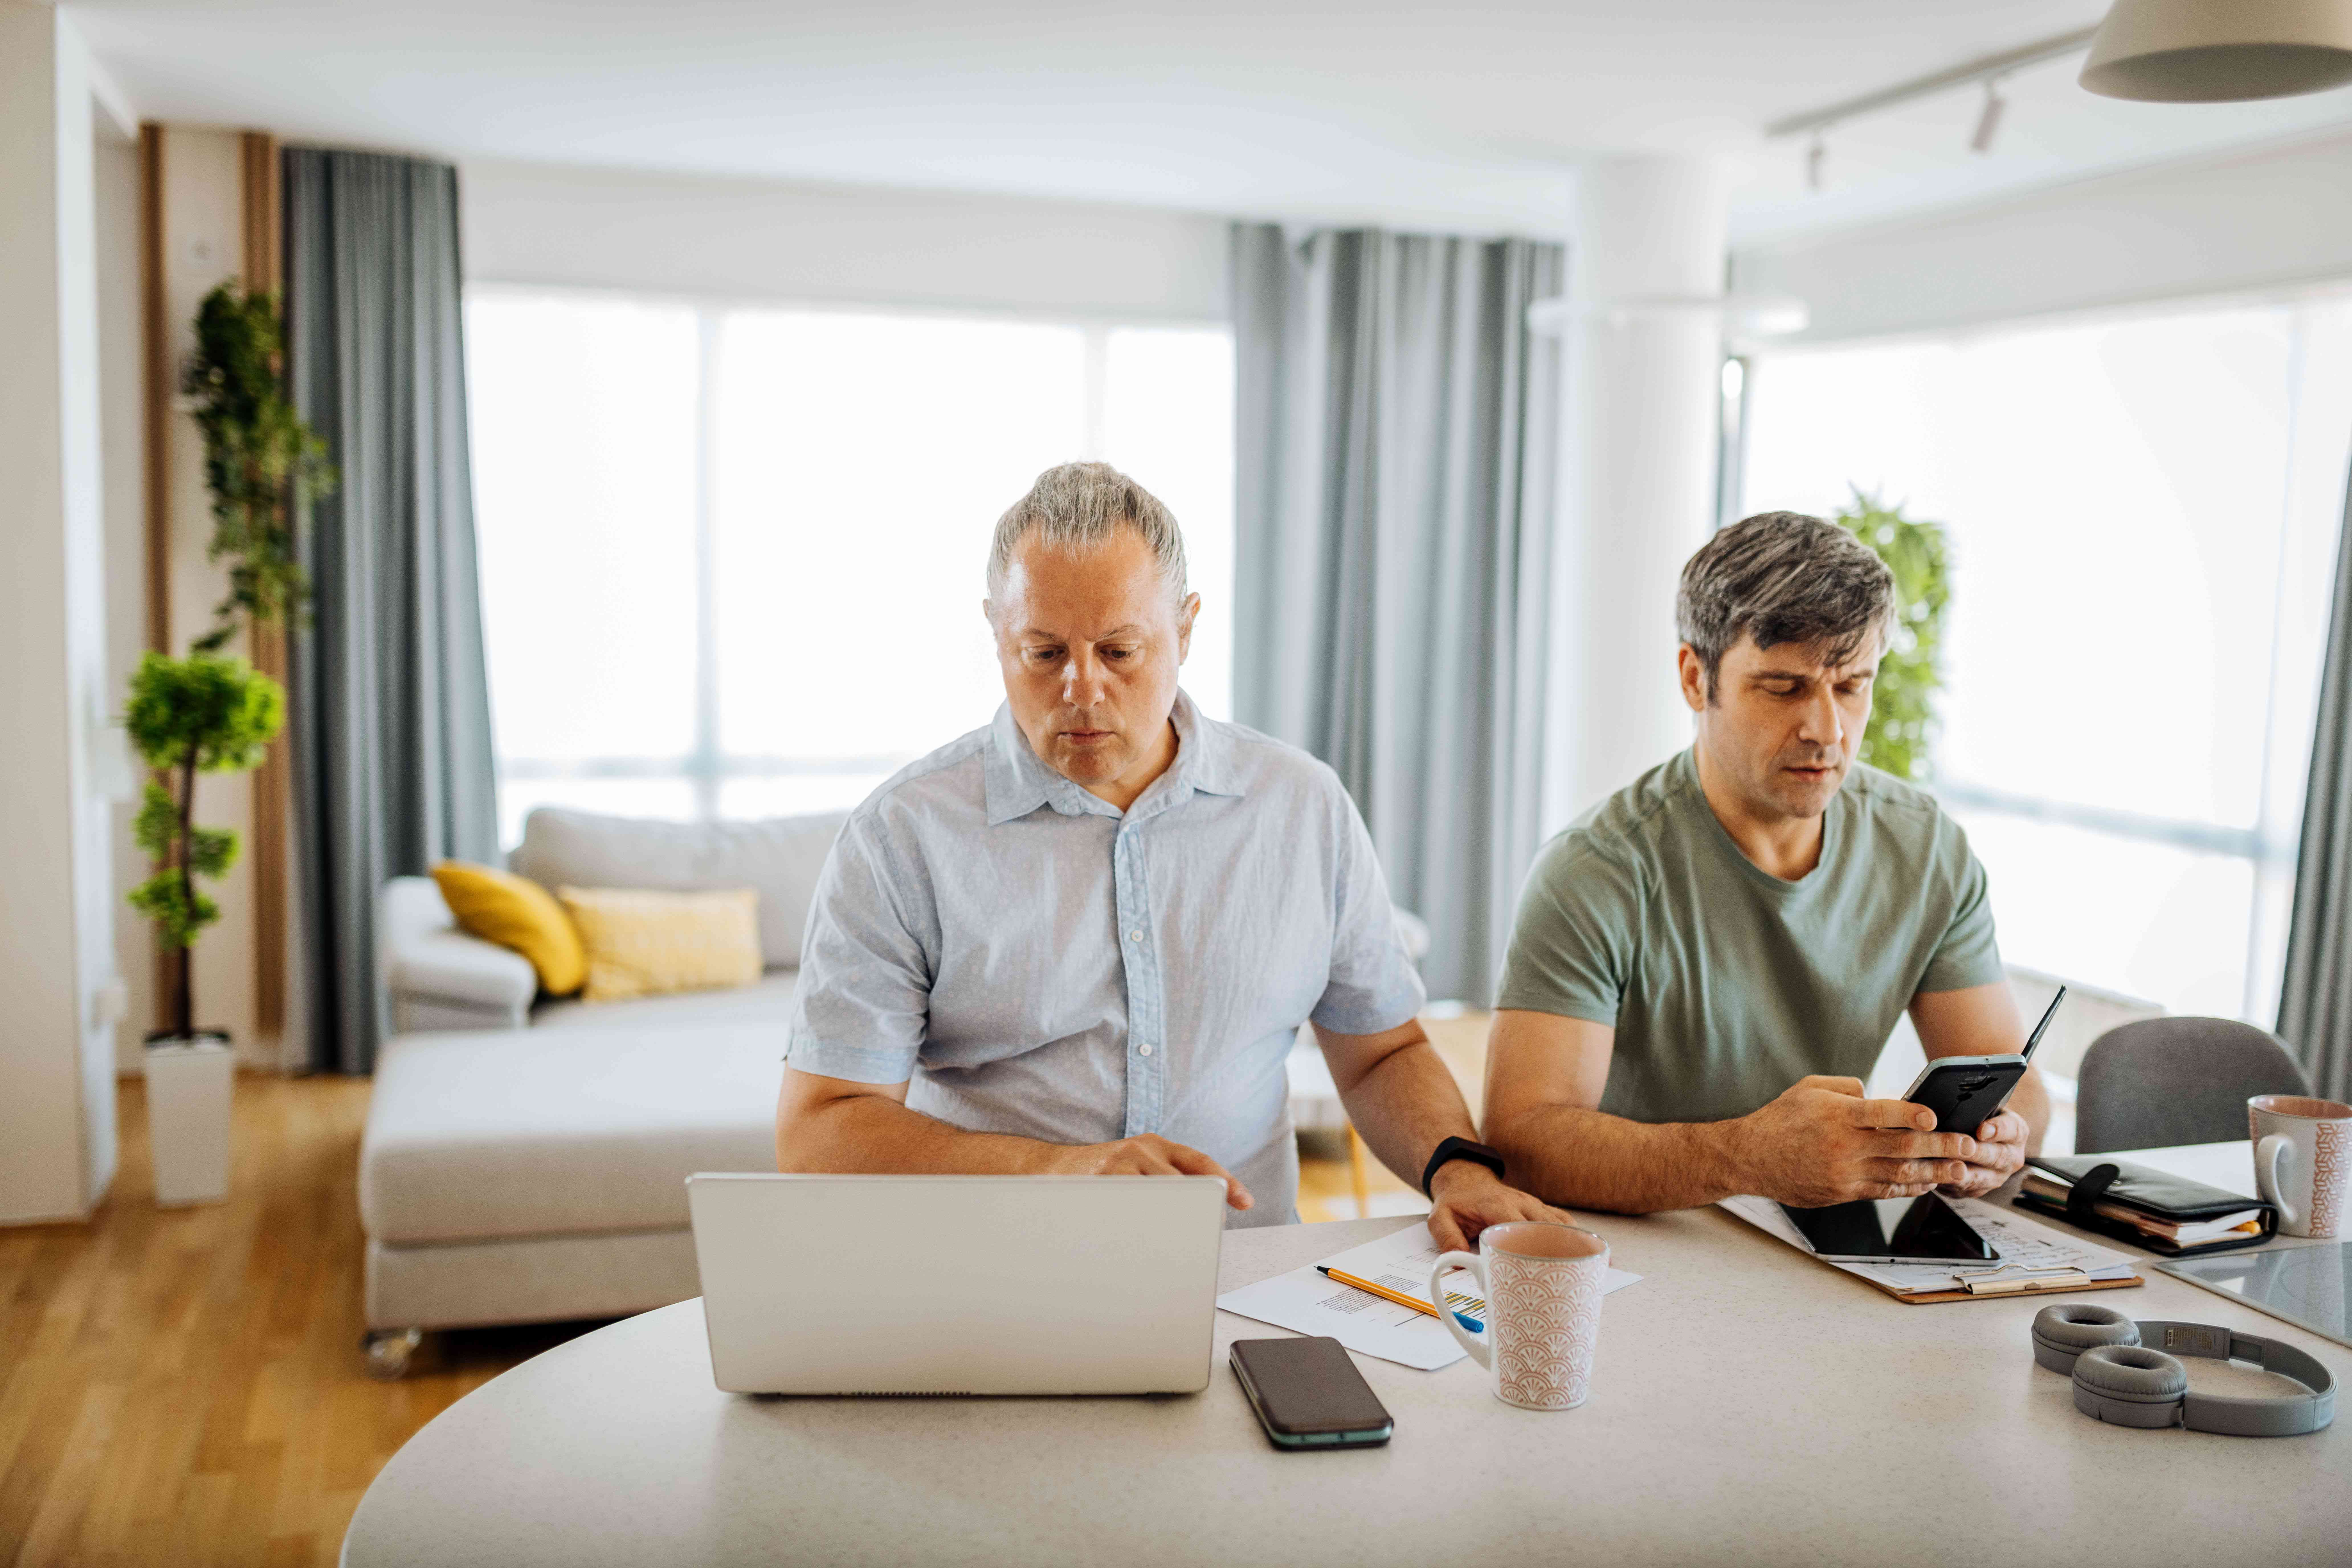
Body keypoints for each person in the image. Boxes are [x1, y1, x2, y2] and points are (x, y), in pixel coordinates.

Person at [775, 461, 1568, 1248]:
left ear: (1185, 628)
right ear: (996, 633)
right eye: (1044, 653)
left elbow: (1381, 1053)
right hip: (994, 1272)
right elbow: (820, 1134)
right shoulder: (901, 836)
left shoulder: (1303, 806)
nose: (1082, 690)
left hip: (1250, 1276)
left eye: (1119, 651)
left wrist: (1458, 1171)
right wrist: (1057, 1171)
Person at [1482, 510, 2049, 1215]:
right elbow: (1524, 1138)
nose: (1826, 730)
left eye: (1851, 686)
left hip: (1833, 1248)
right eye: (1783, 689)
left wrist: (1997, 1140)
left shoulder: (1925, 848)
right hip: (1645, 1248)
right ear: (1696, 678)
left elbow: (2015, 1085)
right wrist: (1749, 1159)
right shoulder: (1596, 870)